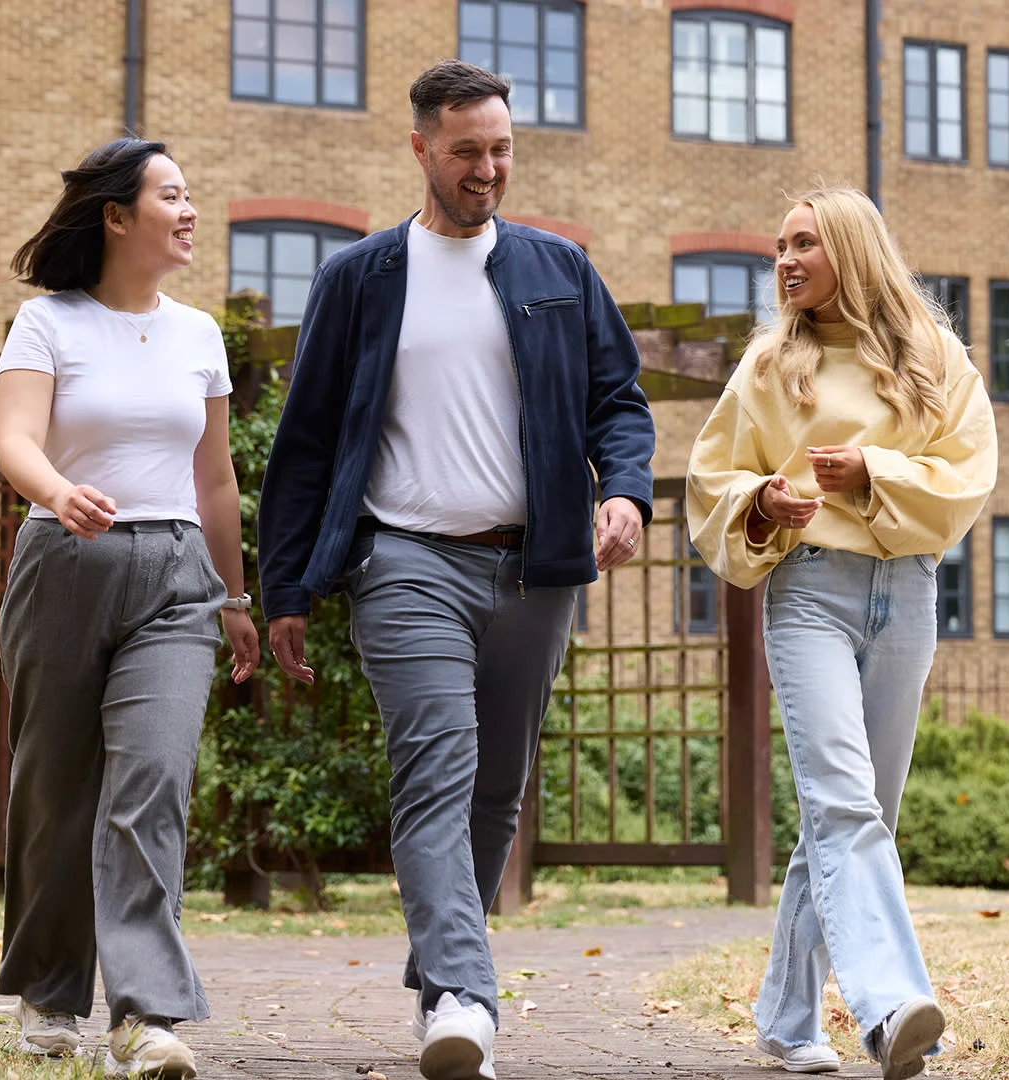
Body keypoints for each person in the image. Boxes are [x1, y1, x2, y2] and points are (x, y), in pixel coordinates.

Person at [257, 60, 655, 1080]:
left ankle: (440, 968)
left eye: (502, 149)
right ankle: (464, 996)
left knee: (496, 788)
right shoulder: (359, 278)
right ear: (422, 148)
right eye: (467, 150)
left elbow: (618, 400)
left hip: (536, 569)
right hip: (404, 559)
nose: (488, 169)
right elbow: (304, 445)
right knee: (436, 768)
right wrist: (286, 588)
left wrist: (625, 491)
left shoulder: (559, 269)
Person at [687, 187, 997, 1080]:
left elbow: (968, 475)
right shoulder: (767, 366)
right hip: (810, 593)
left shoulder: (934, 356)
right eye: (780, 246)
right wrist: (762, 502)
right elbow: (713, 479)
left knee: (858, 815)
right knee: (844, 806)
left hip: (908, 590)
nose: (784, 261)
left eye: (804, 244)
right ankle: (893, 1008)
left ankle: (786, 1020)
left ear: (853, 252)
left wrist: (872, 471)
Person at [0, 136, 260, 1079]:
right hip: (65, 561)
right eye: (171, 196)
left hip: (177, 575)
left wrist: (235, 595)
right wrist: (58, 491)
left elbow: (215, 478)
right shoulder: (47, 323)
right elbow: (16, 440)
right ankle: (49, 992)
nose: (190, 212)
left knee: (153, 781)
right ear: (116, 216)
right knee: (55, 789)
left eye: (190, 195)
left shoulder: (198, 335)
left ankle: (145, 1016)